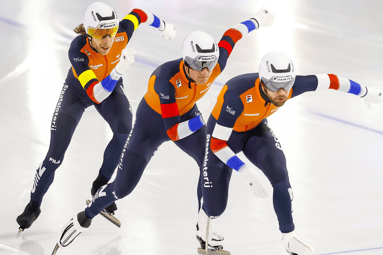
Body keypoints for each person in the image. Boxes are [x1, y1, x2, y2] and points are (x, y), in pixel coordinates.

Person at [53, 7, 275, 252]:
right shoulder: (165, 79)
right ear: (186, 63)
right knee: (123, 189)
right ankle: (87, 214)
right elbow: (174, 132)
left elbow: (232, 35)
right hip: (154, 126)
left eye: (209, 65)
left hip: (187, 114)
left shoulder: (214, 64)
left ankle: (205, 228)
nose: (205, 72)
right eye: (199, 65)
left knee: (209, 162)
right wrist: (204, 120)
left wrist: (257, 20)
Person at [200, 51, 383, 254]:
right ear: (262, 83)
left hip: (255, 129)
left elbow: (330, 80)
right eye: (275, 87)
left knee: (279, 173)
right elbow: (217, 144)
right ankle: (204, 222)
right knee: (215, 205)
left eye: (286, 86)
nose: (282, 93)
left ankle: (289, 238)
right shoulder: (237, 95)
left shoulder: (290, 86)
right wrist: (246, 171)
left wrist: (365, 92)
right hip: (224, 134)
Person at [16, 2, 176, 233]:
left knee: (124, 129)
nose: (107, 41)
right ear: (88, 32)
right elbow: (95, 93)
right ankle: (33, 206)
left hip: (110, 88)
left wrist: (164, 26)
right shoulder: (78, 49)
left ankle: (101, 184)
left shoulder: (121, 32)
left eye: (110, 34)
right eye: (100, 35)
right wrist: (118, 70)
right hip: (79, 93)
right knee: (54, 157)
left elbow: (140, 14)